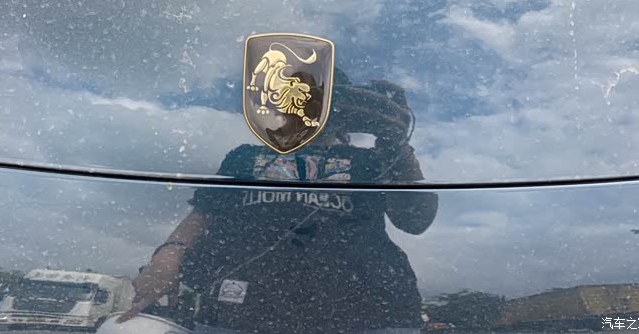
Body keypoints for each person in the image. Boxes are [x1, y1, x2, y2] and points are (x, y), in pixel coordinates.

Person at [119, 71, 438, 333]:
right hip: (244, 311)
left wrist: (396, 144)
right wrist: (167, 259)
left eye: (326, 100)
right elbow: (205, 213)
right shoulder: (244, 157)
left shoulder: (371, 161)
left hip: (368, 313)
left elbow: (415, 220)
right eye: (301, 96)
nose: (309, 106)